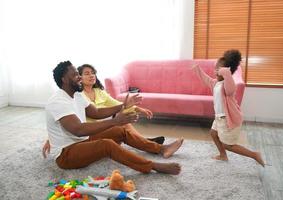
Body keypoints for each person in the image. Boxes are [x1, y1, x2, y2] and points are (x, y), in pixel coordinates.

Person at [45, 61, 183, 174]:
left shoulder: (77, 94)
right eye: (75, 75)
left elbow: (96, 112)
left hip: (82, 141)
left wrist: (122, 106)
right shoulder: (57, 101)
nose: (79, 77)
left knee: (120, 131)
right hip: (65, 154)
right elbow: (78, 129)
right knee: (107, 145)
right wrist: (115, 120)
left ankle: (161, 149)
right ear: (64, 80)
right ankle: (152, 166)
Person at [42, 64, 165, 156]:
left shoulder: (98, 92)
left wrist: (135, 108)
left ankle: (146, 143)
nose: (91, 75)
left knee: (121, 125)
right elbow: (67, 122)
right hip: (88, 131)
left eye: (92, 73)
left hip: (98, 128)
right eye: (86, 73)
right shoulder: (73, 94)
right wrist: (51, 138)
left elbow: (115, 105)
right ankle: (144, 142)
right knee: (116, 131)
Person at [192, 50, 264, 167]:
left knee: (228, 145)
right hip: (219, 118)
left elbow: (231, 90)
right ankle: (223, 155)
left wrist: (226, 73)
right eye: (215, 68)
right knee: (213, 134)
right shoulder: (216, 83)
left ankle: (254, 155)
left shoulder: (228, 84)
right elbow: (207, 80)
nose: (215, 71)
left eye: (218, 69)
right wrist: (197, 70)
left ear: (226, 71)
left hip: (228, 119)